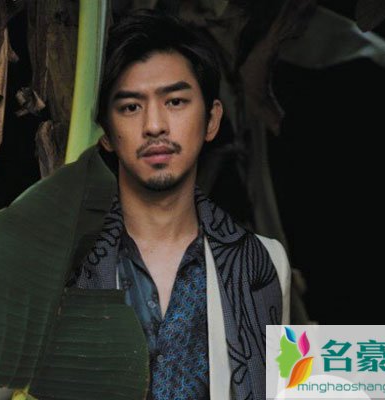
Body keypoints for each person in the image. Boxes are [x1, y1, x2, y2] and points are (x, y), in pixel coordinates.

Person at [73, 10, 291, 400]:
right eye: (131, 107)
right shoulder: (63, 262)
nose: (154, 125)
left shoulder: (264, 263)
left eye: (175, 101)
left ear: (212, 120)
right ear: (105, 131)